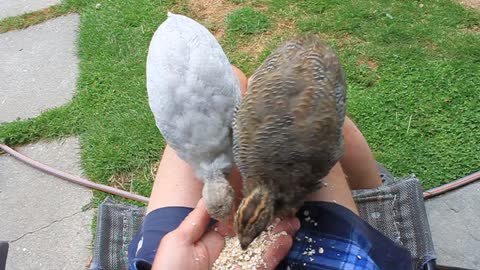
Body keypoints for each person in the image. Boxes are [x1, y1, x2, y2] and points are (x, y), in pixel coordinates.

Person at [128, 66, 411, 270]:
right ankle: (376, 197)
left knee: (232, 83)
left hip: (183, 260)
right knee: (300, 112)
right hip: (331, 259)